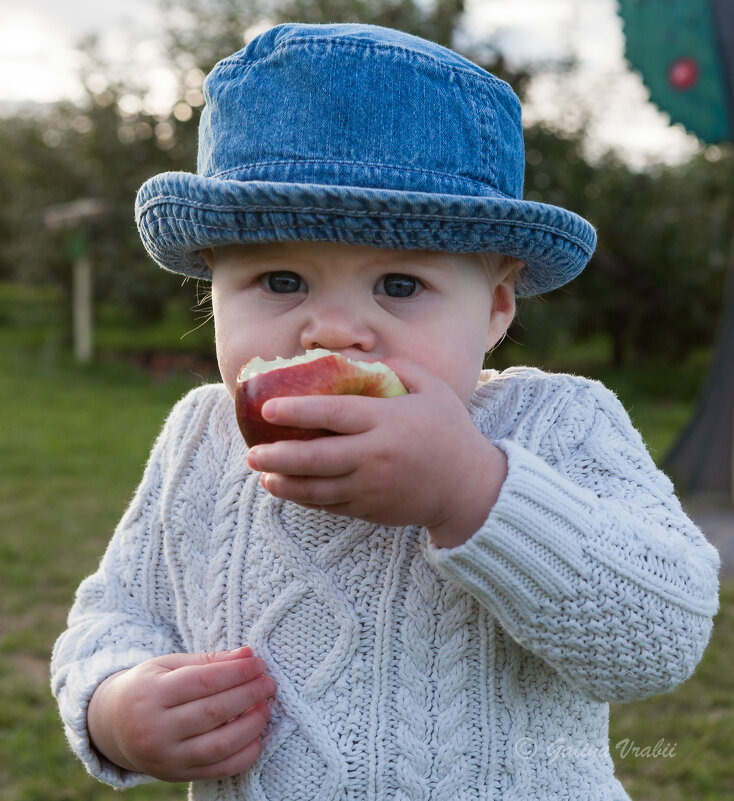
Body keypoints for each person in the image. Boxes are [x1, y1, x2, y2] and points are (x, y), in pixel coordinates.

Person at [51, 22, 720, 801]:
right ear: (213, 292)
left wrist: (473, 491)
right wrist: (115, 704)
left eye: (399, 285)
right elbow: (114, 612)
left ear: (496, 308)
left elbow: (661, 640)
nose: (333, 329)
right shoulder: (200, 441)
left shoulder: (556, 424)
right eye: (279, 279)